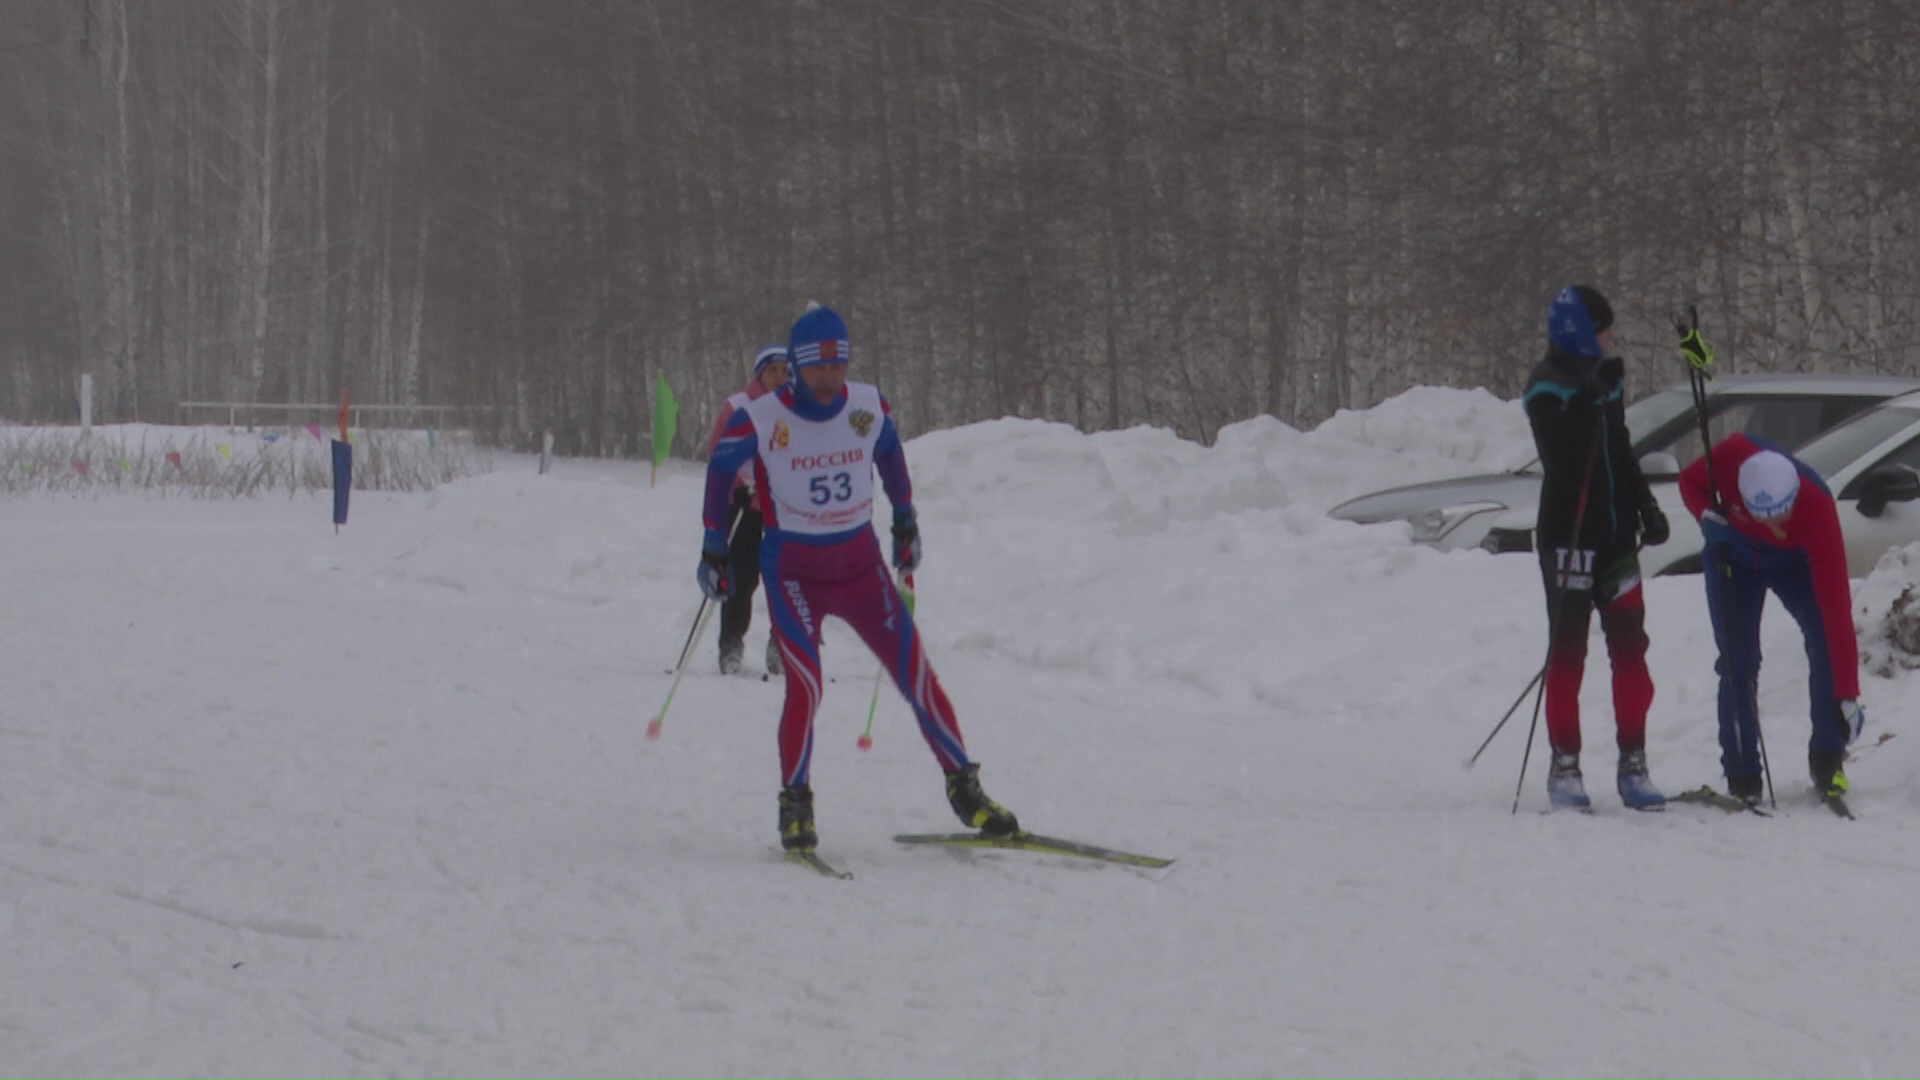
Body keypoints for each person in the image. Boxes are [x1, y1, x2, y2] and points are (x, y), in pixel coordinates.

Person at [696, 304, 1019, 852]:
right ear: (795, 366)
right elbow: (721, 470)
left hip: (860, 568)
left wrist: (906, 519)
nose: (829, 378)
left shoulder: (867, 406)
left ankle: (966, 789)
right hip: (793, 571)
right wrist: (714, 547)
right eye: (817, 368)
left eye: (838, 366)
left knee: (916, 673)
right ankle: (794, 804)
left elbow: (891, 456)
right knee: (807, 684)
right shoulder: (762, 415)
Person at [1522, 285, 1670, 810]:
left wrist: (1644, 507)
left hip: (1614, 540)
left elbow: (1617, 449)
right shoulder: (1547, 386)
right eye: (1604, 326)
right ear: (1582, 331)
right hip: (1568, 540)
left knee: (1631, 650)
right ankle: (1565, 765)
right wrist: (1587, 402)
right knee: (1569, 655)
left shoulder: (1607, 381)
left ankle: (1634, 761)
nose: (1612, 336)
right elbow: (1562, 462)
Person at [1678, 435, 1867, 804]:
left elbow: (1836, 612)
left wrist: (1848, 694)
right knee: (1738, 660)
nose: (1775, 524)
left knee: (1822, 639)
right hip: (1731, 556)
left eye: (1782, 514)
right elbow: (1689, 482)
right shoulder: (1730, 455)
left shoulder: (1816, 506)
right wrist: (1704, 514)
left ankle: (1828, 758)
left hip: (1791, 563)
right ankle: (1742, 773)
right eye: (1763, 516)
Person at [705, 344, 791, 675]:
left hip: (784, 510)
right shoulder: (739, 406)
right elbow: (719, 455)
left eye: (785, 370)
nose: (780, 377)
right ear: (760, 374)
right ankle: (731, 643)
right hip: (746, 505)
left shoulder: (795, 408)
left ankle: (781, 644)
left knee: (785, 578)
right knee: (740, 577)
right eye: (773, 370)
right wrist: (737, 490)